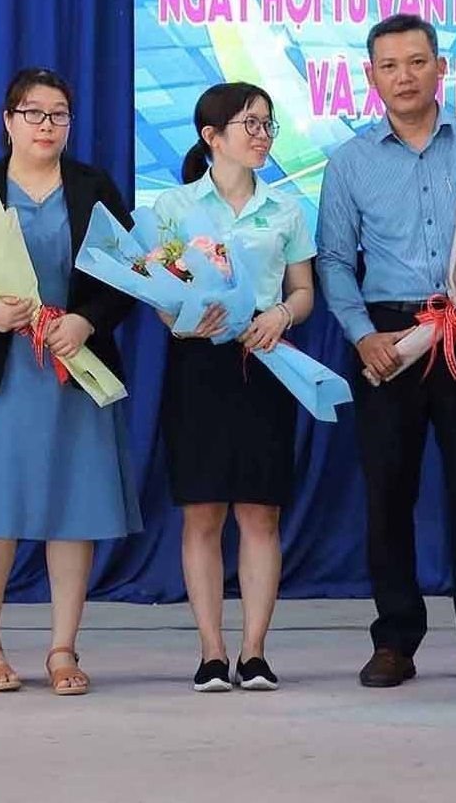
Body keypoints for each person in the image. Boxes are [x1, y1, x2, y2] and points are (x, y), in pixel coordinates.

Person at [313, 13, 456, 689]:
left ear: (442, 67)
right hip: (390, 336)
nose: (404, 76)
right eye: (390, 65)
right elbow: (331, 258)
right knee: (388, 491)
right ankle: (395, 641)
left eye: (418, 62)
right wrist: (361, 335)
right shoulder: (349, 160)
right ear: (370, 75)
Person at [0, 68, 141, 696]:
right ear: (8, 119)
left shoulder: (92, 186)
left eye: (58, 115)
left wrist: (86, 319)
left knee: (72, 511)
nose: (46, 125)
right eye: (33, 113)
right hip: (4, 370)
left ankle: (62, 648)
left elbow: (127, 275)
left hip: (72, 365)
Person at [155, 82, 316, 693]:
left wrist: (283, 315)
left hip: (266, 361)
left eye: (268, 125)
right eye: (249, 124)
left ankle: (254, 652)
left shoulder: (286, 209)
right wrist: (182, 315)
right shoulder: (174, 206)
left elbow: (302, 290)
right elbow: (156, 291)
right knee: (201, 512)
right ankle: (211, 654)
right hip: (199, 364)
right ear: (210, 136)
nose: (262, 136)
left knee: (260, 512)